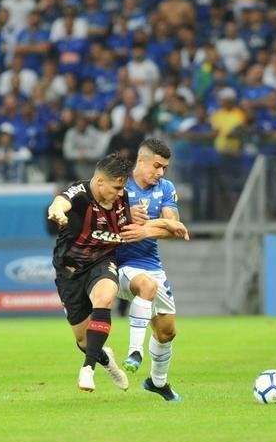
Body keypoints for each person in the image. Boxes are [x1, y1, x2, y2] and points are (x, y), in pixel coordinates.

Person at [46, 154, 184, 394]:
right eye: (117, 188)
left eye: (123, 188)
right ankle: (105, 360)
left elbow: (137, 228)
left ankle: (87, 369)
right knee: (84, 340)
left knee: (105, 297)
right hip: (70, 269)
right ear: (100, 182)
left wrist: (167, 224)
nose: (121, 193)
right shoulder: (79, 193)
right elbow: (60, 202)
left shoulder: (124, 200)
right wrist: (57, 211)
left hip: (103, 262)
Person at [116, 139, 191, 403]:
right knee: (146, 285)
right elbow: (114, 227)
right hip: (118, 264)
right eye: (157, 166)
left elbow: (175, 227)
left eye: (164, 168)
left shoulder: (166, 188)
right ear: (141, 161)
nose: (160, 173)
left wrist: (146, 229)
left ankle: (157, 383)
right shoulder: (119, 184)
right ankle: (134, 351)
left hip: (152, 263)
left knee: (167, 332)